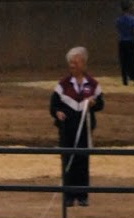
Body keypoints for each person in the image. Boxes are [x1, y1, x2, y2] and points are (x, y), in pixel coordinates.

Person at [50, 46, 104, 207]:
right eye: (71, 62)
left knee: (82, 161)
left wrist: (94, 103)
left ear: (84, 63)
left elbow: (101, 104)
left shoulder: (93, 84)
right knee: (68, 161)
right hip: (67, 130)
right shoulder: (62, 85)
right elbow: (53, 106)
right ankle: (68, 195)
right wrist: (57, 113)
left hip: (85, 129)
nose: (73, 65)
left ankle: (82, 195)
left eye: (76, 62)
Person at [116, 0, 134, 84]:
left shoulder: (118, 20)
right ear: (129, 8)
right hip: (130, 42)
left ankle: (124, 80)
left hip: (121, 42)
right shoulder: (133, 19)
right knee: (133, 61)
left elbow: (118, 30)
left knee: (123, 61)